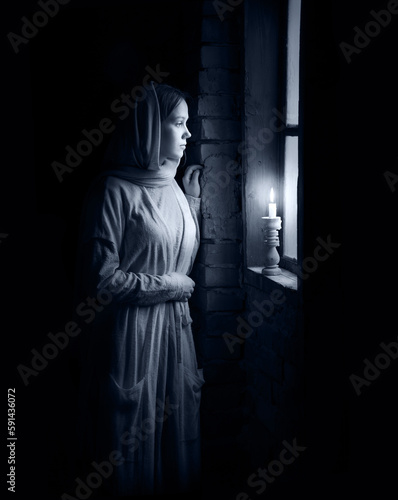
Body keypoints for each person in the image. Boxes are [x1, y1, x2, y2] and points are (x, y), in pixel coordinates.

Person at [74, 81, 204, 496]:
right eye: (179, 123)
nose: (189, 134)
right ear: (149, 127)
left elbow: (172, 250)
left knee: (173, 445)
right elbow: (100, 280)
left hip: (175, 336)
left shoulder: (175, 187)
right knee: (130, 449)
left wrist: (194, 206)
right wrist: (171, 286)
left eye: (189, 124)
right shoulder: (112, 191)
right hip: (131, 338)